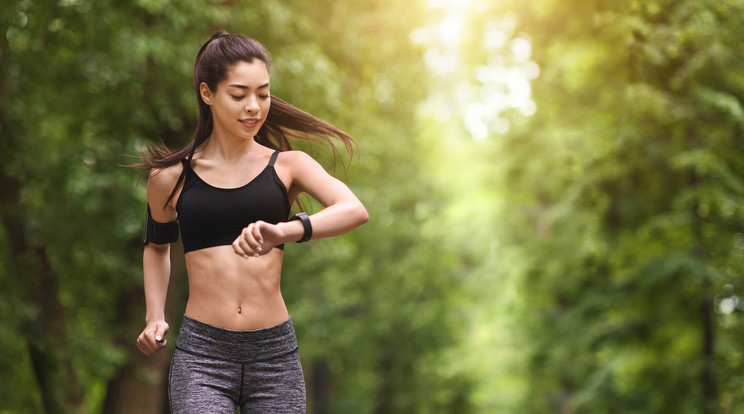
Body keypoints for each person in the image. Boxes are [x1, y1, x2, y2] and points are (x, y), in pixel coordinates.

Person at [134, 30, 369, 413]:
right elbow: (157, 247)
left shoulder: (288, 166)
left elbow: (354, 209)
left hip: (274, 355)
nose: (255, 107)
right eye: (239, 95)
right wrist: (154, 317)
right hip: (202, 356)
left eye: (263, 93)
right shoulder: (170, 178)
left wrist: (286, 230)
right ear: (207, 94)